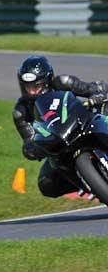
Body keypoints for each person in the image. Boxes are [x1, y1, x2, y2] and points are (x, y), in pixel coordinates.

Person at [13, 55, 107, 197]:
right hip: (59, 145)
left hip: (84, 123)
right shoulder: (21, 111)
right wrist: (33, 150)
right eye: (28, 87)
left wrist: (98, 95)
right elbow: (28, 140)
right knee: (46, 184)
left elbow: (93, 88)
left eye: (36, 86)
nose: (32, 91)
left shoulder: (63, 82)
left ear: (47, 81)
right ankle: (89, 184)